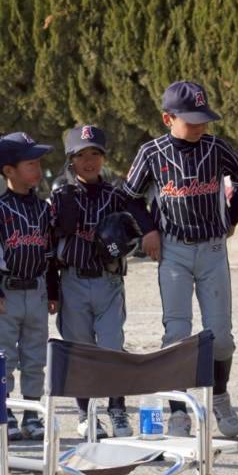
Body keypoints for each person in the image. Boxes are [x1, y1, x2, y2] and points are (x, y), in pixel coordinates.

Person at [122, 81, 238, 438]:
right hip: (173, 249)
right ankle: (178, 411)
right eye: (191, 120)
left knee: (220, 336)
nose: (199, 126)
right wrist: (148, 230)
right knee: (177, 334)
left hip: (212, 249)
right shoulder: (151, 152)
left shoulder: (216, 147)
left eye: (203, 119)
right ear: (168, 118)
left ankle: (220, 395)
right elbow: (130, 195)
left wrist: (232, 218)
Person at [51, 124, 155, 439]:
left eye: (95, 153)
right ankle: (86, 413)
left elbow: (137, 229)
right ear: (70, 160)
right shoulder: (61, 196)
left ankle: (117, 408)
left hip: (109, 281)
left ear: (104, 157)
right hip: (73, 280)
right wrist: (52, 288)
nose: (89, 161)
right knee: (81, 350)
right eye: (81, 155)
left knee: (111, 347)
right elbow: (50, 243)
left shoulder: (116, 195)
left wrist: (132, 241)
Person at [0, 132, 58, 441]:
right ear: (9, 170)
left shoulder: (43, 209)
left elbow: (49, 255)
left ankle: (32, 413)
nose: (37, 169)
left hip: (36, 291)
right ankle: (5, 411)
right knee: (4, 356)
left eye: (38, 163)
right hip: (6, 291)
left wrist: (53, 291)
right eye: (30, 163)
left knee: (36, 356)